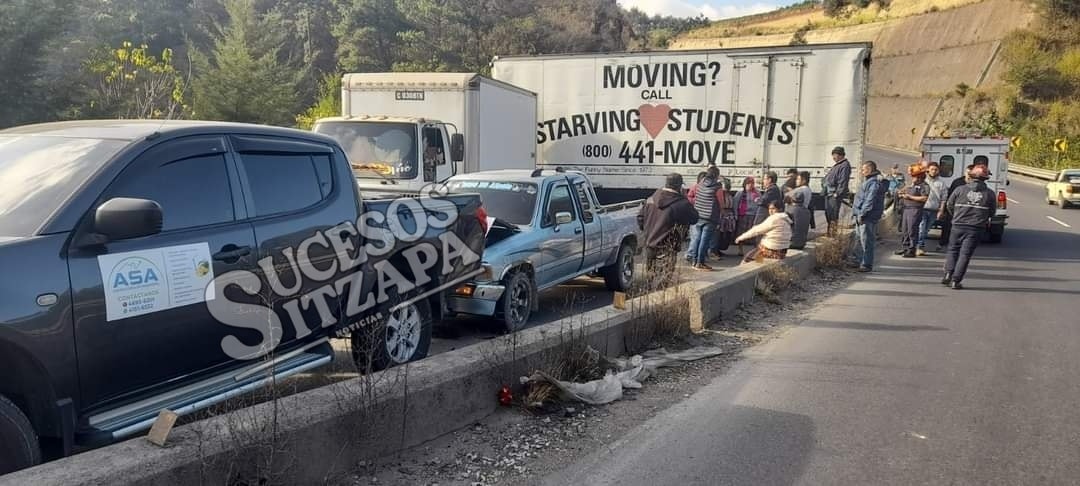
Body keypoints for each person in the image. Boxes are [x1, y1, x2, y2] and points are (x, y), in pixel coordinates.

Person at [941, 165, 997, 290]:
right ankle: (956, 281)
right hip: (975, 228)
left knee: (952, 250)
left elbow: (950, 205)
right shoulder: (989, 194)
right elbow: (992, 212)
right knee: (965, 254)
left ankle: (948, 274)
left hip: (957, 225)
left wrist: (957, 216)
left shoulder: (960, 189)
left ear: (971, 176)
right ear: (985, 178)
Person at [638, 174, 699, 283]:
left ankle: (649, 296)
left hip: (650, 244)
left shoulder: (650, 199)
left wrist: (648, 232)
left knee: (649, 278)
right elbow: (694, 218)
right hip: (669, 246)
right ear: (679, 187)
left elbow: (640, 218)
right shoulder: (682, 204)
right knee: (663, 280)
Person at [847, 161, 888, 272]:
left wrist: (862, 214)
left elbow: (870, 200)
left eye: (864, 169)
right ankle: (857, 260)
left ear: (870, 169)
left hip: (867, 216)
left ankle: (866, 264)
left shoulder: (873, 183)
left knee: (866, 241)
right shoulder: (869, 181)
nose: (862, 171)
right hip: (861, 215)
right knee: (859, 239)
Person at [686, 166, 722, 270]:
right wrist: (721, 213)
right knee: (704, 240)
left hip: (698, 214)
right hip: (710, 217)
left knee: (697, 238)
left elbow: (695, 197)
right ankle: (700, 262)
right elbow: (721, 202)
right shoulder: (717, 186)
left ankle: (694, 261)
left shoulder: (700, 184)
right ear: (716, 175)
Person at [895, 163, 930, 258]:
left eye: (914, 176)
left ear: (919, 177)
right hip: (906, 208)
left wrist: (910, 197)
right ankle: (905, 247)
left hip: (915, 209)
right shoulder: (911, 184)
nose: (912, 178)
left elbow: (924, 198)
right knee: (905, 230)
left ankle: (912, 249)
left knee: (912, 230)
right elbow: (904, 190)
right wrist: (901, 193)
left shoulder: (924, 186)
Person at [941, 164, 976, 245]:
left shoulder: (976, 184)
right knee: (948, 225)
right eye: (967, 172)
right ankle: (943, 241)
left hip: (968, 210)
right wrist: (948, 209)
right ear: (965, 172)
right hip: (955, 208)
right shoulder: (957, 182)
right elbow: (950, 195)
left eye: (971, 173)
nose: (969, 175)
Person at [918, 162, 947, 254]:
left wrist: (941, 210)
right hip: (922, 208)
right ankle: (919, 246)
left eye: (936, 169)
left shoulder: (941, 183)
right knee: (921, 228)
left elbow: (943, 199)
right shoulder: (923, 181)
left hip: (934, 210)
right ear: (928, 170)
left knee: (927, 230)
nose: (934, 171)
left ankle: (920, 244)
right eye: (932, 169)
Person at [823, 146, 852, 236]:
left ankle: (832, 234)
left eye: (834, 155)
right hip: (829, 193)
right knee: (828, 213)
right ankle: (830, 232)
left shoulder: (845, 165)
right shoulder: (838, 165)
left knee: (833, 215)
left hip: (834, 194)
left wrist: (837, 193)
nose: (833, 158)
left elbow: (843, 180)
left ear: (840, 155)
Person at [732, 177, 760, 256]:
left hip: (753, 215)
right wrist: (735, 215)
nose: (750, 185)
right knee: (741, 233)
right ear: (745, 184)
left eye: (752, 183)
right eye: (748, 183)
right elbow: (735, 204)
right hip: (743, 215)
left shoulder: (756, 193)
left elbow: (760, 203)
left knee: (754, 233)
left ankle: (754, 250)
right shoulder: (740, 193)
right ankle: (740, 249)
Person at [710, 177, 737, 258]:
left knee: (725, 235)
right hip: (721, 215)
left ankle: (719, 249)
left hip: (729, 216)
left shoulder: (729, 194)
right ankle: (714, 250)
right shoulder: (719, 193)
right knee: (718, 234)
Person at [787, 171, 813, 249]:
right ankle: (800, 243)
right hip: (804, 211)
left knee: (796, 230)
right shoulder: (808, 189)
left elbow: (787, 196)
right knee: (801, 230)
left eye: (798, 179)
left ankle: (795, 243)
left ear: (804, 180)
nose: (796, 181)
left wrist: (789, 193)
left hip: (798, 211)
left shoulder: (801, 190)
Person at [884, 163, 906, 232]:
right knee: (885, 208)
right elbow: (885, 186)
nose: (895, 170)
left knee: (900, 210)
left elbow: (903, 185)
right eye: (893, 168)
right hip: (889, 195)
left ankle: (900, 226)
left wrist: (901, 191)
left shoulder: (901, 176)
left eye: (896, 168)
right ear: (891, 169)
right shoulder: (888, 176)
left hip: (898, 195)